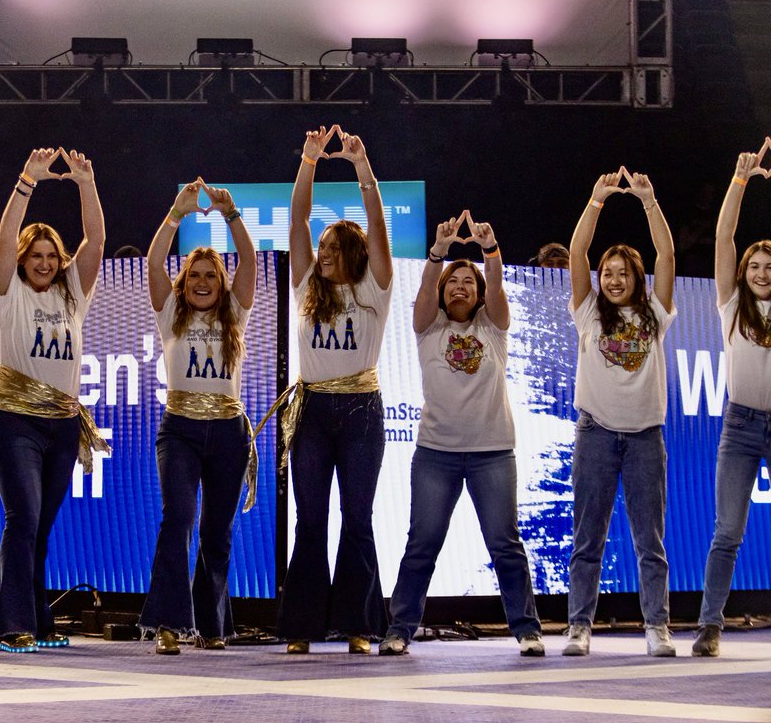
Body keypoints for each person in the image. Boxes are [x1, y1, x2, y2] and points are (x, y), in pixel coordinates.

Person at [380, 211, 543, 657]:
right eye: (453, 280)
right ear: (440, 289)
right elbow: (423, 294)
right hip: (436, 454)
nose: (460, 286)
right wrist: (439, 252)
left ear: (481, 292)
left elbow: (497, 289)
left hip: (493, 453)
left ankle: (527, 628)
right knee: (422, 544)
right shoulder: (427, 327)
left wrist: (489, 252)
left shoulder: (494, 327)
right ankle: (400, 629)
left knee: (505, 545)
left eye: (469, 282)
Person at [274, 125, 392, 655]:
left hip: (362, 410)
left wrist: (362, 168)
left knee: (358, 517)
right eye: (320, 245)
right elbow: (297, 217)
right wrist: (309, 160)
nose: (322, 252)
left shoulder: (373, 288)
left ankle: (358, 625)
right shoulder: (305, 288)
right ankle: (301, 625)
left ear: (354, 253)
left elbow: (377, 223)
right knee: (311, 518)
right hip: (315, 410)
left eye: (333, 246)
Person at [0, 148, 106, 653]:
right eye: (35, 256)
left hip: (62, 425)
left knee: (40, 527)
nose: (43, 263)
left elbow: (96, 238)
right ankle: (18, 624)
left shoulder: (72, 293)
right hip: (14, 421)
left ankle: (28, 618)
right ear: (21, 260)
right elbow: (2, 239)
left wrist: (85, 181)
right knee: (24, 517)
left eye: (51, 257)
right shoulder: (7, 289)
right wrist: (27, 181)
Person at [139, 178, 256, 655]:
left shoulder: (234, 314)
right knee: (179, 517)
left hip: (229, 430)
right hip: (180, 429)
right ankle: (167, 623)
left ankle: (210, 626)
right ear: (182, 284)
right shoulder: (170, 314)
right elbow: (152, 261)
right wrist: (176, 212)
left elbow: (248, 262)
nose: (203, 282)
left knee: (217, 531)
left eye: (211, 275)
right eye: (194, 276)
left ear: (221, 283)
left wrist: (232, 216)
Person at [563, 169, 677, 658]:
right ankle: (578, 628)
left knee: (649, 543)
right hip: (596, 434)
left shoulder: (655, 312)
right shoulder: (588, 312)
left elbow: (668, 255)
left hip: (645, 439)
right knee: (587, 540)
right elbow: (575, 255)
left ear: (637, 278)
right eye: (607, 273)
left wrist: (650, 202)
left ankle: (658, 627)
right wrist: (595, 202)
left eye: (622, 272)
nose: (612, 280)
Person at [692, 145, 771, 657]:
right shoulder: (730, 306)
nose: (763, 272)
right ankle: (709, 627)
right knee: (728, 532)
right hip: (741, 426)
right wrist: (739, 183)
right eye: (756, 265)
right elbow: (724, 237)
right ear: (743, 272)